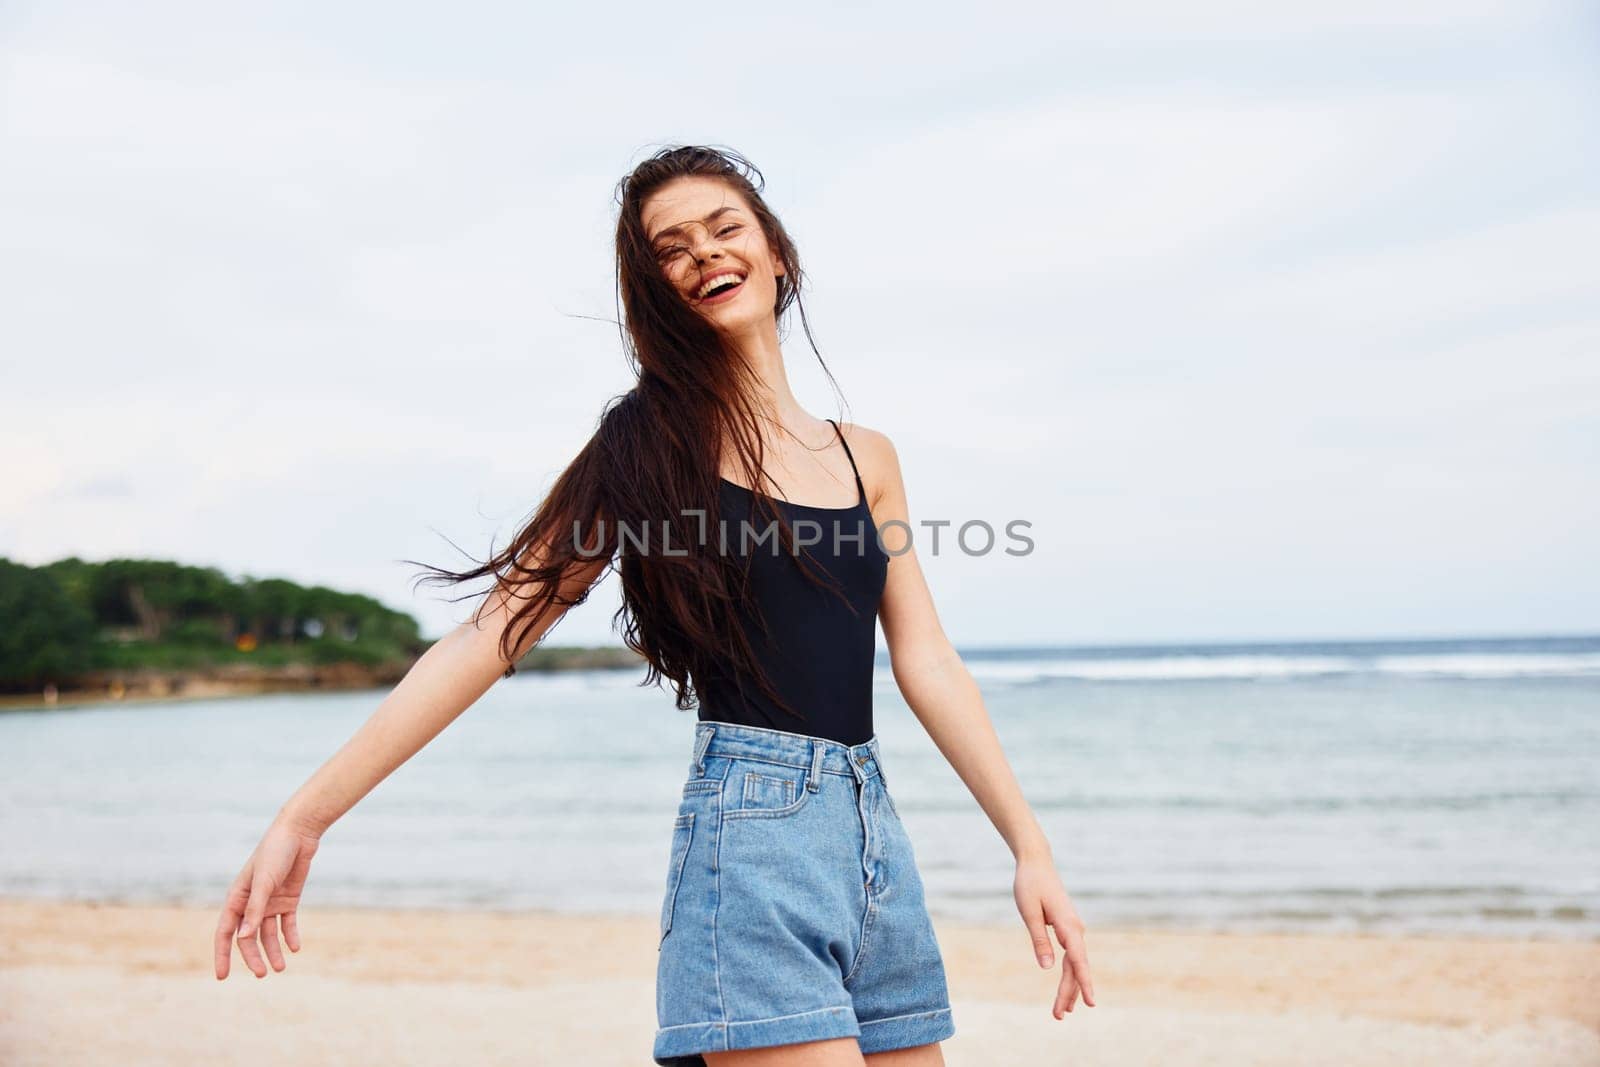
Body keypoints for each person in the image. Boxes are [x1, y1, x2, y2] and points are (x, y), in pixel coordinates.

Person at [213, 144, 1096, 1065]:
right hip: (751, 844)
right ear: (656, 291)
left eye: (725, 229)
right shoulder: (646, 441)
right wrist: (306, 815)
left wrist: (1029, 847)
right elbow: (493, 633)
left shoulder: (866, 455)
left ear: (777, 252)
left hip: (874, 834)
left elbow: (928, 662)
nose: (705, 255)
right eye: (671, 249)